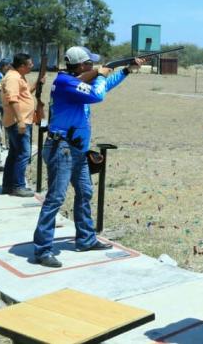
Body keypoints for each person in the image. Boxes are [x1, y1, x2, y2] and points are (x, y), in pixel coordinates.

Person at [32, 47, 143, 268]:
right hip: (62, 148)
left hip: (75, 149)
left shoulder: (73, 82)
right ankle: (42, 249)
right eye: (89, 64)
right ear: (82, 65)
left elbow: (103, 87)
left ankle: (86, 239)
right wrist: (101, 74)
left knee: (85, 191)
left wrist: (126, 71)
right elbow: (97, 94)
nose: (93, 66)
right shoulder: (66, 83)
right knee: (55, 198)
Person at [0, 53, 40, 197]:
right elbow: (13, 99)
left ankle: (8, 185)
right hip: (18, 122)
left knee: (14, 154)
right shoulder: (13, 78)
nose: (32, 66)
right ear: (22, 66)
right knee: (23, 154)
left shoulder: (18, 76)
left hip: (19, 121)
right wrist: (21, 121)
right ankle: (18, 186)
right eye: (30, 64)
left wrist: (37, 84)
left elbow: (24, 94)